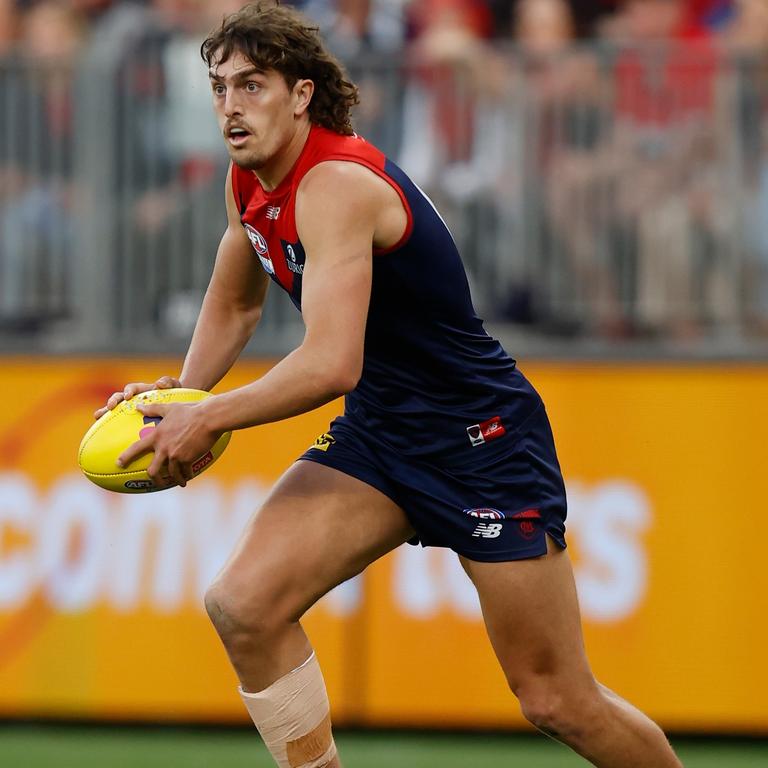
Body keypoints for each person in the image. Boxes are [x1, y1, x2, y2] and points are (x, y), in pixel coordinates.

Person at [96, 3, 683, 766]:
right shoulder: (248, 182)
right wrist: (178, 395)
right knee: (244, 606)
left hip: (482, 442)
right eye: (219, 89)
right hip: (383, 435)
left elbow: (330, 363)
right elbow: (236, 301)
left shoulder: (337, 184)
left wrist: (208, 417)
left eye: (252, 86)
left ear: (300, 94)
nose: (231, 108)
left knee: (555, 699)